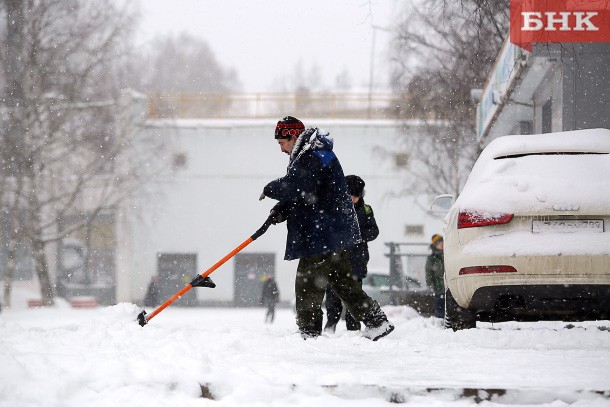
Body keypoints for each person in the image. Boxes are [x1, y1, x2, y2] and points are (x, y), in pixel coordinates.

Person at [259, 115, 393, 340]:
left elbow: (297, 186)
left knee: (308, 283)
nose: (282, 149)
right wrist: (283, 209)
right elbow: (307, 192)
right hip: (333, 232)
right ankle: (376, 321)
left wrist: (271, 188)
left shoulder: (313, 156)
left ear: (293, 136)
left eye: (282, 143)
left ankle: (309, 333)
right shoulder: (314, 154)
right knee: (343, 282)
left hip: (322, 233)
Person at [324, 175, 379, 333]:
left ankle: (353, 326)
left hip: (357, 260)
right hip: (335, 259)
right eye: (350, 196)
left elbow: (374, 231)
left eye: (356, 196)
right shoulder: (333, 208)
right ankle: (331, 323)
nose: (353, 199)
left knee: (354, 294)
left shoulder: (366, 210)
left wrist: (358, 235)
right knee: (333, 292)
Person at [425, 234, 445, 319]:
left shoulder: (449, 254)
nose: (441, 244)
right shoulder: (432, 258)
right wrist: (429, 285)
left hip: (450, 285)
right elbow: (428, 272)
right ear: (434, 245)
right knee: (440, 304)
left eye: (442, 242)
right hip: (439, 286)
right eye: (438, 243)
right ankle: (439, 321)